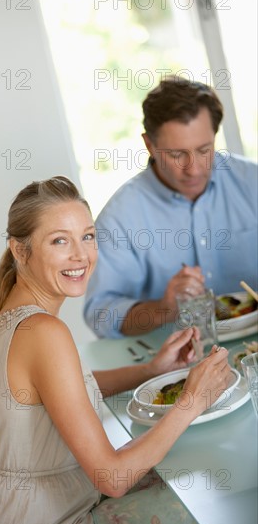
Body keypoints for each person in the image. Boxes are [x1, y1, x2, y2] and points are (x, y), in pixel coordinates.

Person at [0, 176, 230, 524]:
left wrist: (149, 370)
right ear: (19, 251)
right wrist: (193, 400)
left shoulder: (10, 313)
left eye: (87, 236)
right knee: (197, 501)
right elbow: (112, 478)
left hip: (4, 514)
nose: (81, 255)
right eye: (60, 241)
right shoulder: (43, 332)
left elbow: (58, 393)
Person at [84, 77, 258, 338]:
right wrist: (164, 309)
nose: (194, 169)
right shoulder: (120, 218)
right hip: (177, 361)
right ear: (149, 145)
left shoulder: (251, 182)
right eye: (177, 155)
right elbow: (100, 314)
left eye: (204, 150)